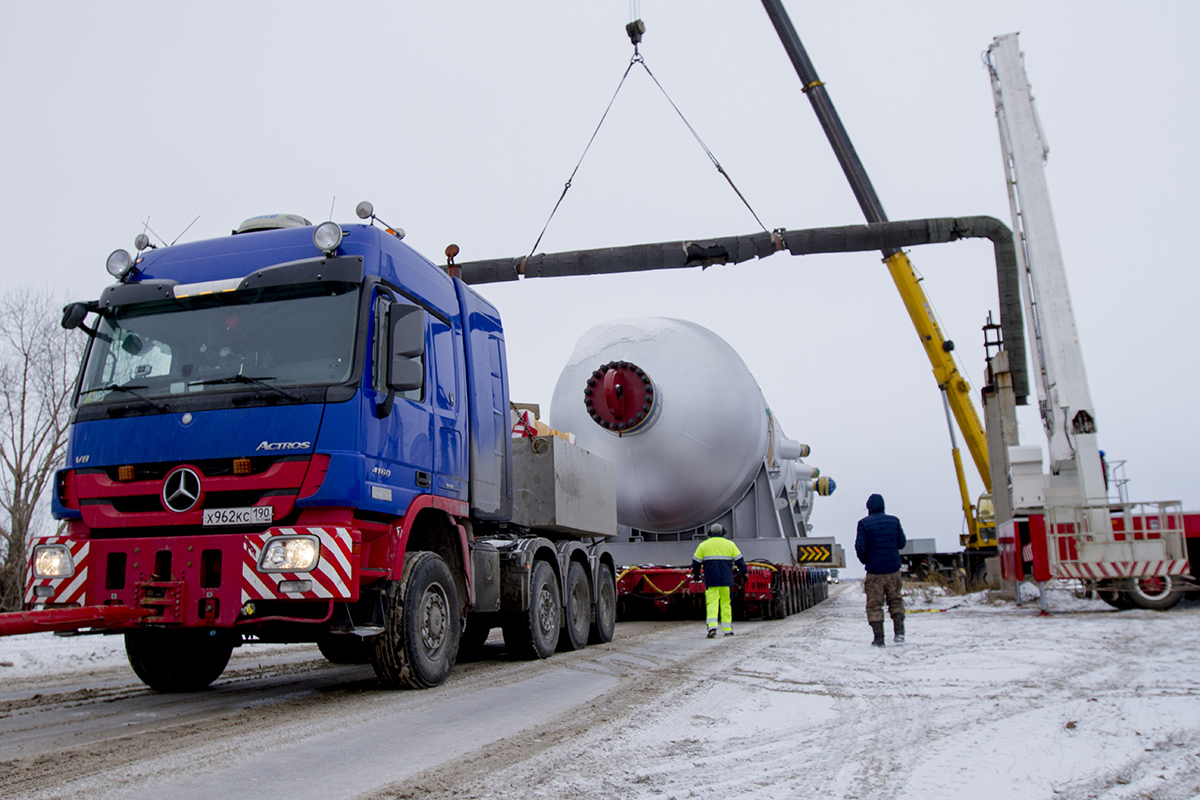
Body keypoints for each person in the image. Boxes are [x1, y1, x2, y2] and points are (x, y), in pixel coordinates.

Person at [855, 493, 907, 647]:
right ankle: (899, 633)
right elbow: (902, 543)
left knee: (874, 605)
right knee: (895, 600)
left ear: (869, 507)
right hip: (893, 570)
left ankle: (879, 638)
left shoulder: (864, 524)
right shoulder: (894, 521)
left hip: (875, 571)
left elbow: (860, 547)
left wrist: (866, 561)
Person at [691, 523, 747, 638]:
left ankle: (712, 627)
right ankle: (727, 629)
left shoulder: (703, 545)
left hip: (711, 580)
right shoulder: (730, 545)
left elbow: (696, 563)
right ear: (723, 533)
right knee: (726, 604)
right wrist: (744, 573)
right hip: (726, 580)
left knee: (712, 603)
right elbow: (740, 561)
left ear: (710, 533)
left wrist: (696, 575)